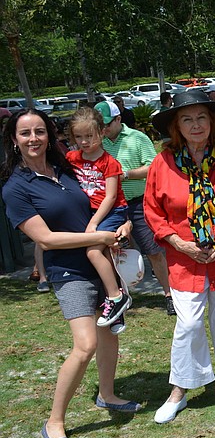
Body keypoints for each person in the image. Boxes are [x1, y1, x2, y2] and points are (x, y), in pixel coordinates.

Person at [2, 109, 140, 438]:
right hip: (70, 271)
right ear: (14, 140)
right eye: (25, 133)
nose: (33, 138)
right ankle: (55, 421)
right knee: (86, 344)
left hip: (104, 262)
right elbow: (46, 239)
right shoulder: (15, 187)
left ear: (49, 135)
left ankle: (107, 394)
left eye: (39, 131)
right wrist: (98, 240)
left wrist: (123, 227)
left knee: (108, 335)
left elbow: (107, 200)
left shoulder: (67, 168)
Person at [145, 90, 215, 424]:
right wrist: (179, 244)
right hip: (184, 258)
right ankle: (180, 389)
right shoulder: (162, 163)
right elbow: (153, 211)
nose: (196, 125)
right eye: (187, 119)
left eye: (202, 118)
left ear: (214, 122)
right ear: (176, 125)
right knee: (189, 323)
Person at [98, 101, 173, 315]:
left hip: (139, 203)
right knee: (113, 252)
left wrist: (126, 174)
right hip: (112, 206)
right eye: (100, 125)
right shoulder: (98, 142)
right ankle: (119, 296)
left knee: (154, 251)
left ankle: (169, 295)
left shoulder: (137, 138)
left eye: (106, 124)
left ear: (118, 119)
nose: (103, 129)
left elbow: (153, 167)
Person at [66, 107, 132, 335]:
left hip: (111, 211)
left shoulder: (109, 163)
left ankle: (116, 297)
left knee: (94, 252)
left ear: (101, 133)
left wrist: (93, 224)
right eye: (78, 137)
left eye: (89, 136)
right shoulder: (71, 158)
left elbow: (111, 196)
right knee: (104, 256)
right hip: (92, 212)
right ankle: (115, 310)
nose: (84, 141)